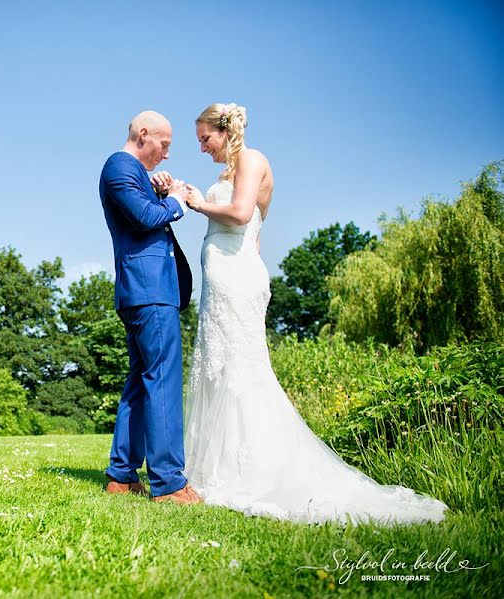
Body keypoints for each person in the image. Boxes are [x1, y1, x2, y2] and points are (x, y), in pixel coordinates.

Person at [180, 103, 448, 524]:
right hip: (225, 277)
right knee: (217, 369)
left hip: (235, 277)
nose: (201, 147)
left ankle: (256, 470)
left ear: (224, 130)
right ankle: (213, 467)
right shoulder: (225, 174)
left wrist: (196, 204)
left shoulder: (252, 160)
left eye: (204, 138)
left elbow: (242, 214)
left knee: (241, 370)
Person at [98, 110, 201, 504]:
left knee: (141, 382)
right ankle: (169, 482)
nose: (167, 154)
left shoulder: (132, 172)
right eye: (165, 144)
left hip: (144, 290)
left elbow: (146, 205)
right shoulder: (119, 167)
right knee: (163, 381)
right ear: (144, 134)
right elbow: (143, 218)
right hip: (149, 290)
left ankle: (121, 475)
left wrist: (160, 191)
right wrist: (175, 201)